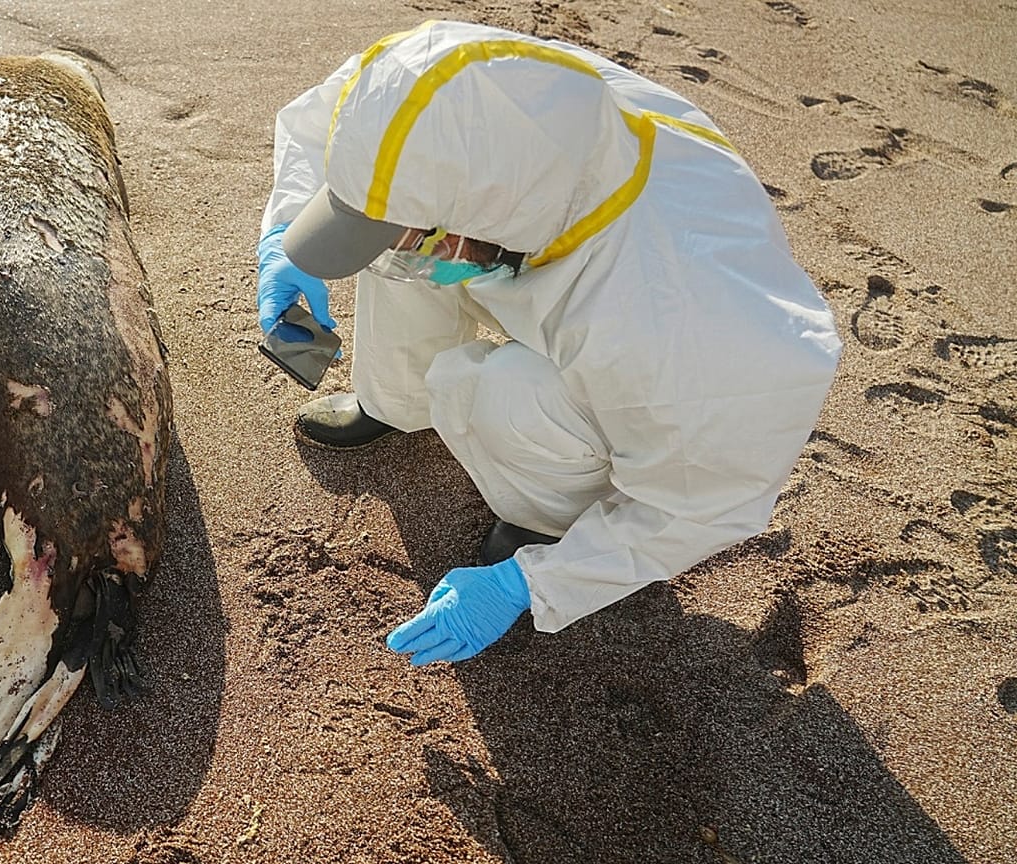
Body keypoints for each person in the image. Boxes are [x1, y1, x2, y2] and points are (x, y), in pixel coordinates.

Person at [255, 20, 842, 666]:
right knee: (398, 251)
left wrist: (536, 582)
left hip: (643, 328)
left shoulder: (681, 325)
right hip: (524, 253)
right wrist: (284, 238)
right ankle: (393, 402)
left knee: (498, 390)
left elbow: (698, 502)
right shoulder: (451, 92)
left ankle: (546, 519)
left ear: (483, 217)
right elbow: (338, 125)